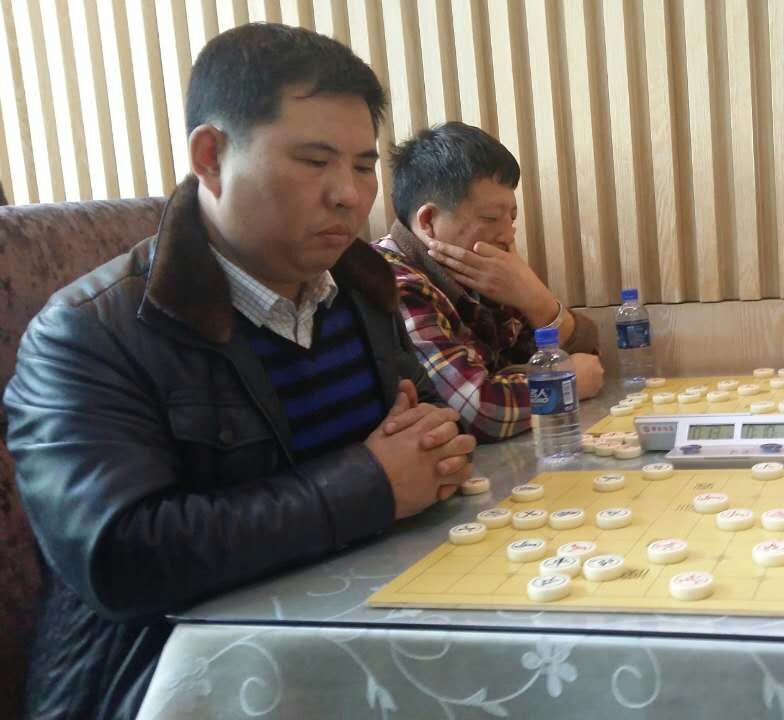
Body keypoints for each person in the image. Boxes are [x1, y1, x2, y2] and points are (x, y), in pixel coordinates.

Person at [3, 24, 475, 719]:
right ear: (211, 156)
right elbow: (121, 557)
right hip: (169, 679)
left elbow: (423, 425)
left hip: (360, 637)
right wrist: (371, 485)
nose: (349, 194)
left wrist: (434, 443)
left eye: (362, 165)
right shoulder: (86, 333)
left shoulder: (362, 284)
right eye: (314, 161)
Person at [376, 122, 603, 441]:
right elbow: (477, 410)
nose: (508, 235)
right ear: (428, 221)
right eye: (491, 218)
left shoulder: (480, 270)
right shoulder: (392, 280)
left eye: (512, 218)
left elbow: (587, 359)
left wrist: (537, 300)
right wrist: (566, 383)